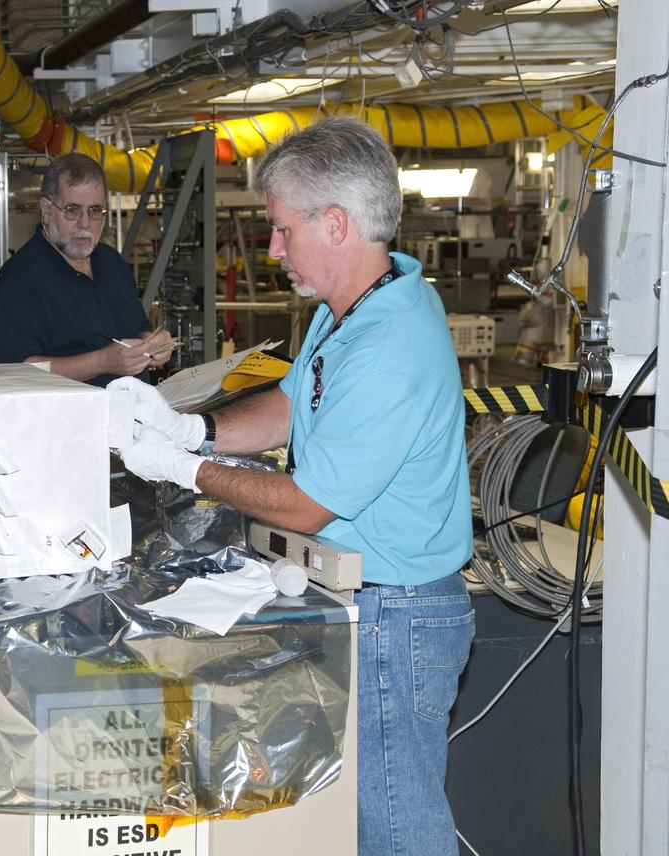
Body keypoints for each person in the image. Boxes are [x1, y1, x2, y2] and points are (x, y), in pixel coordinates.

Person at [111, 117, 475, 855]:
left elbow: (308, 502)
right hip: (358, 603)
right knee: (353, 822)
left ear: (334, 223)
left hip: (395, 618)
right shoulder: (361, 304)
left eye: (281, 230)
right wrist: (195, 431)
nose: (273, 249)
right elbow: (294, 401)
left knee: (396, 832)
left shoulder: (388, 348)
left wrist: (184, 472)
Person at [0, 152, 174, 386]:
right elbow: (16, 371)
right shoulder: (18, 281)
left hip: (131, 416)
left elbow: (137, 328)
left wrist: (151, 344)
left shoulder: (112, 263)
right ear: (46, 209)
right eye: (72, 210)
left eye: (95, 211)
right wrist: (102, 362)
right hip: (65, 421)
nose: (85, 224)